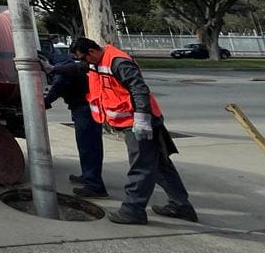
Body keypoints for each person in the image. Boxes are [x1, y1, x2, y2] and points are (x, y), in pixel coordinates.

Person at [69, 37, 198, 225]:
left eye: (83, 58)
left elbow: (139, 89)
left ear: (91, 52)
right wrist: (50, 68)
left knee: (141, 167)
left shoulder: (118, 62)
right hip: (134, 121)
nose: (84, 63)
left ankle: (133, 210)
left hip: (139, 122)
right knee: (160, 166)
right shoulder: (97, 62)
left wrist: (142, 119)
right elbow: (79, 69)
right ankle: (181, 206)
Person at [44, 55, 107, 199]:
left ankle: (95, 186)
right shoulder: (67, 64)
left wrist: (44, 102)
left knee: (88, 147)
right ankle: (89, 176)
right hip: (85, 109)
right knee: (91, 147)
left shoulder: (62, 71)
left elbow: (57, 89)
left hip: (85, 111)